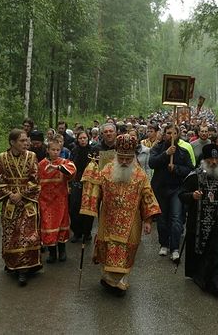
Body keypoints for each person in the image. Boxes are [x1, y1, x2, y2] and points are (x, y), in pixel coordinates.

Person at [80, 134, 160, 296]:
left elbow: (148, 196)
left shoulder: (140, 175)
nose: (124, 162)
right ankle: (108, 278)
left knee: (127, 250)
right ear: (117, 155)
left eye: (128, 159)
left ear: (133, 157)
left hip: (132, 222)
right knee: (107, 248)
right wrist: (89, 207)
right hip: (107, 220)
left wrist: (148, 220)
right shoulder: (106, 170)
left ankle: (121, 280)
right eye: (121, 158)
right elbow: (95, 191)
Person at [179, 144, 218, 294]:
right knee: (201, 251)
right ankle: (203, 278)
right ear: (204, 160)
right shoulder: (194, 176)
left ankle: (217, 281)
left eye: (216, 159)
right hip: (197, 223)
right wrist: (192, 196)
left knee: (217, 251)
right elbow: (182, 195)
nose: (214, 162)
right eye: (210, 159)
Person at [0, 129, 42, 286]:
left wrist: (21, 194)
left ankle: (24, 269)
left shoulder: (32, 156)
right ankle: (12, 263)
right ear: (12, 142)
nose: (26, 143)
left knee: (27, 235)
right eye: (22, 141)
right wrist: (10, 194)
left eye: (26, 140)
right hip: (10, 203)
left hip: (27, 202)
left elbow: (35, 180)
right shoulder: (2, 158)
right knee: (11, 234)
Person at [149, 123, 194, 261]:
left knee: (176, 218)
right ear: (164, 134)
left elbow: (189, 169)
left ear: (178, 135)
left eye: (174, 133)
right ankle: (164, 244)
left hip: (177, 189)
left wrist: (176, 169)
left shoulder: (183, 152)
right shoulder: (157, 148)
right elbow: (152, 163)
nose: (171, 136)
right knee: (162, 219)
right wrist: (166, 154)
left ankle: (175, 247)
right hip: (161, 188)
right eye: (169, 133)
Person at [38, 138, 76, 263]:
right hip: (45, 201)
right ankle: (52, 253)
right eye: (53, 150)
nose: (55, 152)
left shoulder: (64, 162)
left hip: (60, 201)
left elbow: (72, 171)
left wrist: (58, 167)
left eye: (58, 150)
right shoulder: (41, 165)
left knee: (61, 224)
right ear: (47, 150)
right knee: (48, 225)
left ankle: (62, 250)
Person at [69, 130, 94, 243]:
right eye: (80, 138)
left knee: (88, 208)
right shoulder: (74, 150)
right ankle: (76, 232)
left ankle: (87, 232)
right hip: (76, 182)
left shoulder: (92, 151)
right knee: (74, 207)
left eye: (84, 138)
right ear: (77, 139)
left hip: (89, 182)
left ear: (88, 139)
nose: (83, 140)